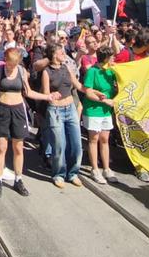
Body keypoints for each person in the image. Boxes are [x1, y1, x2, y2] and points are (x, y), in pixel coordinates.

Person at [0, 47, 54, 197]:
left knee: (18, 147)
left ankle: (18, 179)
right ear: (5, 59)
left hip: (18, 110)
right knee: (1, 147)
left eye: (14, 63)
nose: (11, 65)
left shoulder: (20, 71)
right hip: (2, 110)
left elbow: (28, 92)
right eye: (9, 62)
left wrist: (47, 97)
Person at [42, 44, 83, 188]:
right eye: (61, 52)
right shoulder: (47, 72)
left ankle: (73, 173)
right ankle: (59, 174)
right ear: (54, 54)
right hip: (56, 111)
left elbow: (77, 85)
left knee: (76, 144)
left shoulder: (67, 67)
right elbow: (46, 93)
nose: (64, 54)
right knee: (59, 144)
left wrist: (90, 91)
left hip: (70, 108)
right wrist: (51, 95)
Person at [82, 46, 118, 184]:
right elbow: (88, 91)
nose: (114, 59)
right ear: (106, 58)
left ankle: (107, 168)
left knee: (104, 138)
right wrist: (103, 99)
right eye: (112, 57)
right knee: (94, 138)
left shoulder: (110, 71)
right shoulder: (92, 71)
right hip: (93, 109)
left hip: (105, 111)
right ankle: (95, 169)